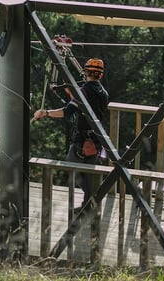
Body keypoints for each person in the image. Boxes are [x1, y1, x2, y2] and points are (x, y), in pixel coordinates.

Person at [33, 58, 109, 208]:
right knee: (88, 173)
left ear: (86, 72)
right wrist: (74, 96)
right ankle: (89, 204)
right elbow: (88, 106)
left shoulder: (83, 92)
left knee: (72, 167)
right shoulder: (103, 92)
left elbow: (67, 112)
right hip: (97, 138)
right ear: (100, 75)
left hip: (83, 139)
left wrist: (45, 113)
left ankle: (89, 203)